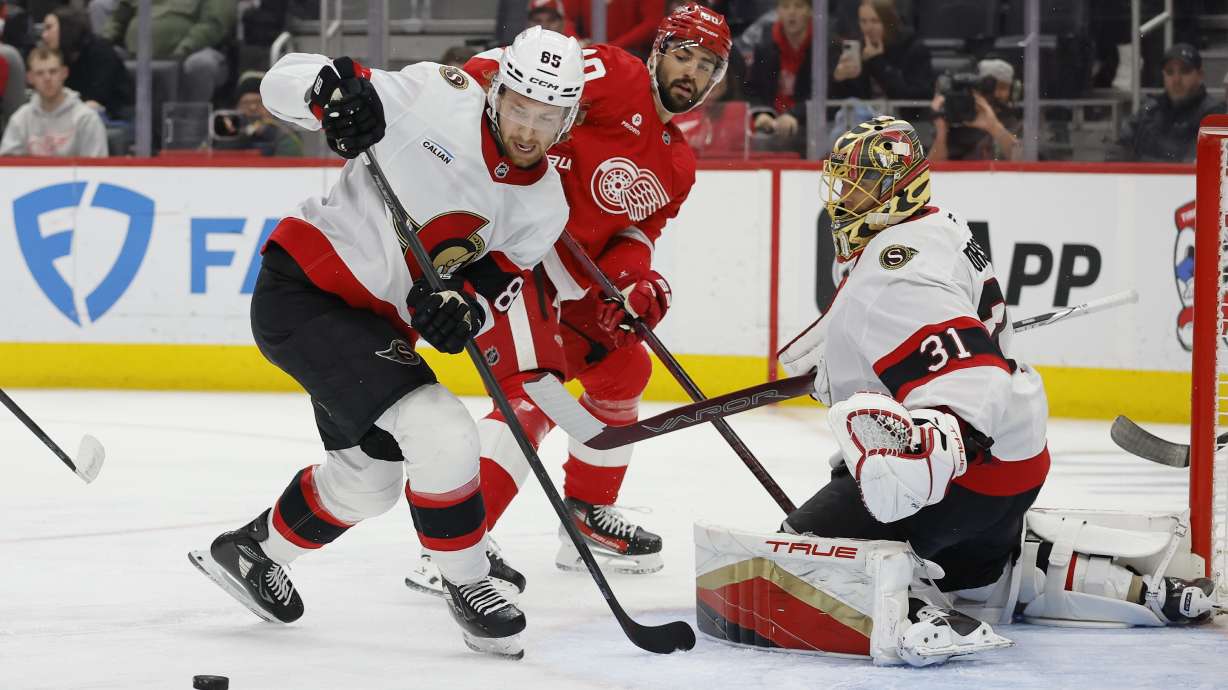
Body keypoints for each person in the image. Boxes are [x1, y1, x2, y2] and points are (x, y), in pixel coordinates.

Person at [187, 26, 586, 660]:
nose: (530, 128)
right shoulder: (437, 94)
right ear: (497, 92)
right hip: (305, 291)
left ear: (568, 119)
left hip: (373, 329)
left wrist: (459, 314)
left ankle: (252, 551)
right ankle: (468, 580)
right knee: (441, 428)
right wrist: (330, 98)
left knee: (369, 479)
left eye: (548, 116)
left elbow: (486, 292)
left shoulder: (545, 206)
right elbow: (286, 78)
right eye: (519, 107)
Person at [774, 115, 1217, 665]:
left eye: (858, 181)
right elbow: (951, 332)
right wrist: (847, 353)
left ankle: (906, 601)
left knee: (797, 556)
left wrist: (939, 440)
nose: (843, 195)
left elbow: (969, 375)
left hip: (961, 474)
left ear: (894, 189)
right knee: (975, 572)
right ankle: (996, 573)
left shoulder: (892, 273)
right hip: (1013, 471)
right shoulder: (936, 226)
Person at [403, 4, 732, 597]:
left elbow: (636, 236)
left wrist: (635, 284)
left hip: (569, 280)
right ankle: (454, 545)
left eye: (705, 65)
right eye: (683, 54)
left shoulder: (679, 161)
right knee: (536, 392)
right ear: (659, 52)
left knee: (625, 370)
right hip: (515, 246)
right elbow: (522, 71)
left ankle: (586, 514)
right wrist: (453, 89)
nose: (691, 72)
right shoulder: (618, 73)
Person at [101, 0, 236, 104]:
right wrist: (102, 43)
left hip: (191, 53)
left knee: (201, 64)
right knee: (103, 55)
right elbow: (117, 19)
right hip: (134, 54)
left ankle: (187, 127)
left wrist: (185, 49)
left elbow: (214, 24)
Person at [1116, 42, 1226, 163]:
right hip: (1142, 180)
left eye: (1185, 71)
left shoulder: (1214, 115)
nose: (1176, 80)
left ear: (1200, 75)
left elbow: (1196, 163)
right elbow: (1119, 149)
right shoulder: (1149, 110)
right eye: (1169, 72)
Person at [0, 44, 107, 157]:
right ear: (30, 78)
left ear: (64, 73)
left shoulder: (86, 119)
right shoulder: (20, 119)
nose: (47, 78)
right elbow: (8, 166)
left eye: (53, 71)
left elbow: (97, 169)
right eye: (40, 73)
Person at [829, 0, 933, 102]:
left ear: (889, 22)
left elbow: (912, 98)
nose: (868, 28)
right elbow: (844, 103)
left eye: (875, 21)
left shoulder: (913, 49)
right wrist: (838, 80)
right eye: (863, 21)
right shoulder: (858, 49)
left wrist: (877, 62)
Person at [42, 7, 132, 121]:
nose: (44, 35)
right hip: (74, 115)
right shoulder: (59, 58)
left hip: (115, 116)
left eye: (49, 28)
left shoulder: (101, 52)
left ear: (67, 28)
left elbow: (97, 100)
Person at [745, 0, 811, 149]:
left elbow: (822, 95)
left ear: (809, 11)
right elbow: (752, 89)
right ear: (778, 11)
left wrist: (795, 115)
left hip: (808, 125)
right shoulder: (765, 46)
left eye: (798, 6)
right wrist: (761, 113)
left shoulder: (823, 46)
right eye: (785, 6)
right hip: (772, 124)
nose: (791, 12)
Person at [930, 58, 1021, 161]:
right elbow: (932, 170)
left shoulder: (1017, 124)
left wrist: (995, 127)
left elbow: (1025, 163)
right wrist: (941, 133)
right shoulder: (952, 119)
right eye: (988, 88)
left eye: (1002, 88)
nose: (996, 94)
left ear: (1013, 91)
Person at [211, 71, 303, 156]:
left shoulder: (285, 132)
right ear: (237, 108)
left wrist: (271, 133)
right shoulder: (225, 130)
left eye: (259, 103)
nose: (253, 108)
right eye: (246, 103)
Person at [564, 0, 665, 57]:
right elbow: (567, 19)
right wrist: (577, 41)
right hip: (586, 52)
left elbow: (652, 24)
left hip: (631, 56)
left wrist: (611, 47)